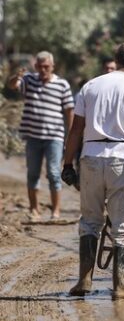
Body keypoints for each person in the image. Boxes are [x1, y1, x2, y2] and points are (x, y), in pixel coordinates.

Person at [61, 41, 124, 300]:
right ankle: (120, 286)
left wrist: (67, 164)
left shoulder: (91, 86)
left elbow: (76, 130)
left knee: (90, 220)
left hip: (90, 157)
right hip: (122, 160)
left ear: (116, 58)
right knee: (123, 224)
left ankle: (84, 280)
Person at [7, 51, 74, 220]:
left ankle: (55, 211)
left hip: (54, 137)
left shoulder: (62, 84)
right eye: (40, 67)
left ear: (52, 66)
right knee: (33, 173)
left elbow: (69, 110)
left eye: (47, 67)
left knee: (53, 172)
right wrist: (16, 76)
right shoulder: (29, 80)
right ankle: (34, 209)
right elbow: (12, 86)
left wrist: (72, 134)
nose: (43, 70)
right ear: (36, 67)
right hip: (33, 136)